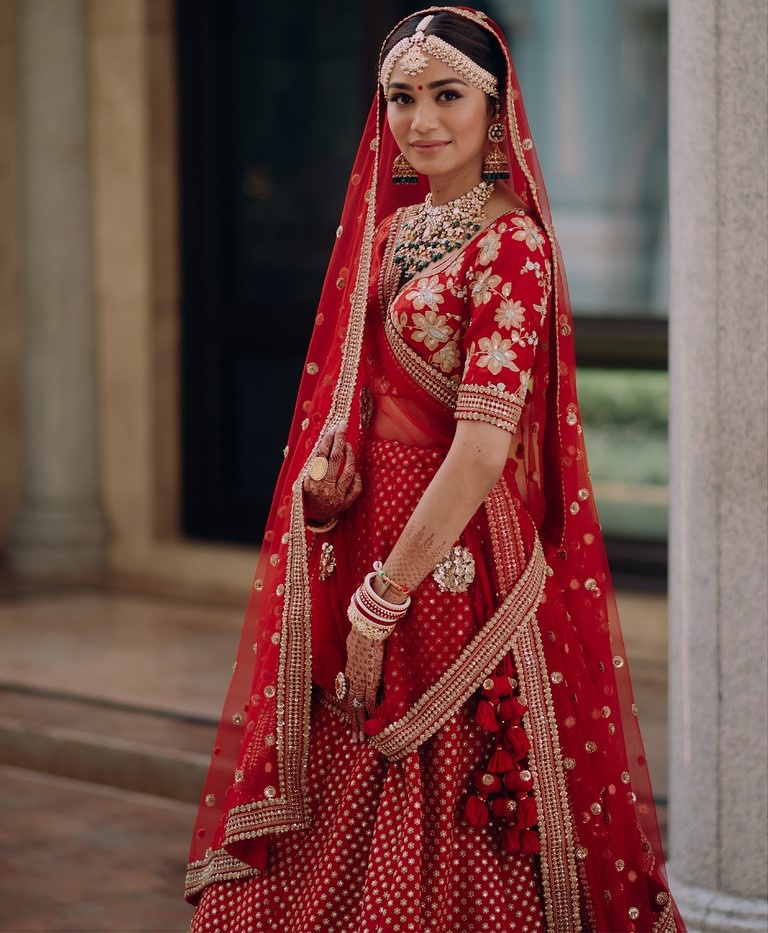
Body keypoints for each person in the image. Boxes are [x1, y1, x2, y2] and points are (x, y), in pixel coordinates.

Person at [186, 8, 684, 931]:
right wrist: (332, 489)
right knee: (343, 777)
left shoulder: (514, 248)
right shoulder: (390, 235)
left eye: (447, 94)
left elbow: (484, 446)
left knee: (456, 771)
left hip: (451, 559)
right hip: (371, 532)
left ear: (496, 110)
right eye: (402, 98)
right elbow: (361, 403)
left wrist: (385, 596)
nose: (421, 121)